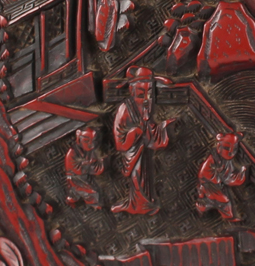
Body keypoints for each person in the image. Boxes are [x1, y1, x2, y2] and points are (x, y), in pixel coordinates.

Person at [110, 67, 173, 215]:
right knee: (137, 176)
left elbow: (150, 129)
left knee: (146, 176)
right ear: (131, 92)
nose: (145, 99)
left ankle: (147, 202)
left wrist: (162, 127)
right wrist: (134, 133)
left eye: (149, 94)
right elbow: (119, 141)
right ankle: (138, 205)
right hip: (133, 151)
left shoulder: (146, 107)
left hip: (144, 150)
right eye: (140, 94)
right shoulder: (125, 109)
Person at [195, 132, 248, 223]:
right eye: (227, 148)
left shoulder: (225, 159)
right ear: (219, 146)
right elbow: (227, 179)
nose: (231, 152)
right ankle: (229, 218)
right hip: (208, 183)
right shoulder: (215, 159)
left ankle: (203, 206)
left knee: (217, 200)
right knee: (224, 201)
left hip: (215, 183)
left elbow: (228, 176)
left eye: (234, 149)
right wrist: (241, 173)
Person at [64, 125, 104, 208]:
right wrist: (87, 164)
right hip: (75, 178)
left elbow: (93, 162)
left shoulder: (89, 151)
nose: (91, 145)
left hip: (84, 176)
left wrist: (95, 163)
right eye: (86, 141)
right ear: (79, 139)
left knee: (78, 193)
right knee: (91, 192)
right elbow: (75, 168)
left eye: (93, 141)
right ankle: (95, 206)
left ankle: (71, 199)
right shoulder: (71, 153)